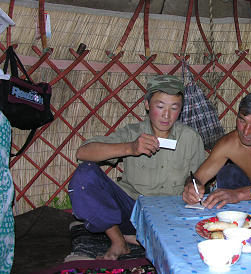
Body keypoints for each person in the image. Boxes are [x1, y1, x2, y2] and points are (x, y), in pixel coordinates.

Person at [68, 75, 206, 260]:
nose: (167, 115)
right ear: (147, 105)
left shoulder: (190, 137)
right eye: (160, 106)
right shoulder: (132, 133)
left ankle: (139, 238)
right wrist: (130, 148)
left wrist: (192, 186)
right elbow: (83, 153)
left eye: (174, 108)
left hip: (172, 215)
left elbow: (196, 176)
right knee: (85, 175)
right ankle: (119, 241)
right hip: (132, 211)